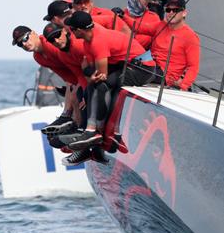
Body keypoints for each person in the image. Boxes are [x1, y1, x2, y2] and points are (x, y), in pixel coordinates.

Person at [59, 11, 159, 150]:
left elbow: (102, 75)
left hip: (144, 69)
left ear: (80, 30)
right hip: (126, 65)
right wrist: (90, 76)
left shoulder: (97, 42)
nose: (70, 31)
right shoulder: (88, 39)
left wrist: (91, 75)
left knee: (103, 86)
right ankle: (90, 130)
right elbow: (89, 68)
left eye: (72, 29)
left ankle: (108, 132)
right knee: (92, 87)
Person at [11, 25, 79, 134]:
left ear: (33, 33)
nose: (24, 44)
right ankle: (69, 121)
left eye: (25, 38)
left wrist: (76, 87)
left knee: (76, 97)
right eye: (20, 44)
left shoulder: (50, 44)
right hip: (76, 79)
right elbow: (67, 76)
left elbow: (76, 64)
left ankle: (72, 123)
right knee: (74, 94)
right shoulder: (38, 57)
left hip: (86, 72)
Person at [127, 0, 200, 90]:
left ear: (184, 13)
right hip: (149, 64)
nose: (171, 13)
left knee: (126, 76)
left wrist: (183, 86)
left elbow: (193, 66)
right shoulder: (161, 25)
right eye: (168, 10)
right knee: (121, 64)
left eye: (176, 10)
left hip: (164, 75)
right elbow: (140, 28)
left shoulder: (190, 36)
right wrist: (122, 16)